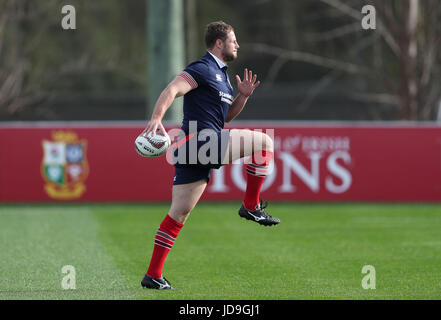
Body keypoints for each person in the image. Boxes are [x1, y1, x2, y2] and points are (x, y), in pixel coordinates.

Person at [141, 21, 280, 290]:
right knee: (264, 142)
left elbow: (224, 118)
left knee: (178, 214)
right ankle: (251, 206)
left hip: (193, 148)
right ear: (219, 43)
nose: (237, 45)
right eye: (233, 40)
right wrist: (157, 118)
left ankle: (153, 275)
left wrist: (242, 97)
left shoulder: (223, 79)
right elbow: (172, 89)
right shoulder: (202, 68)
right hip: (199, 141)